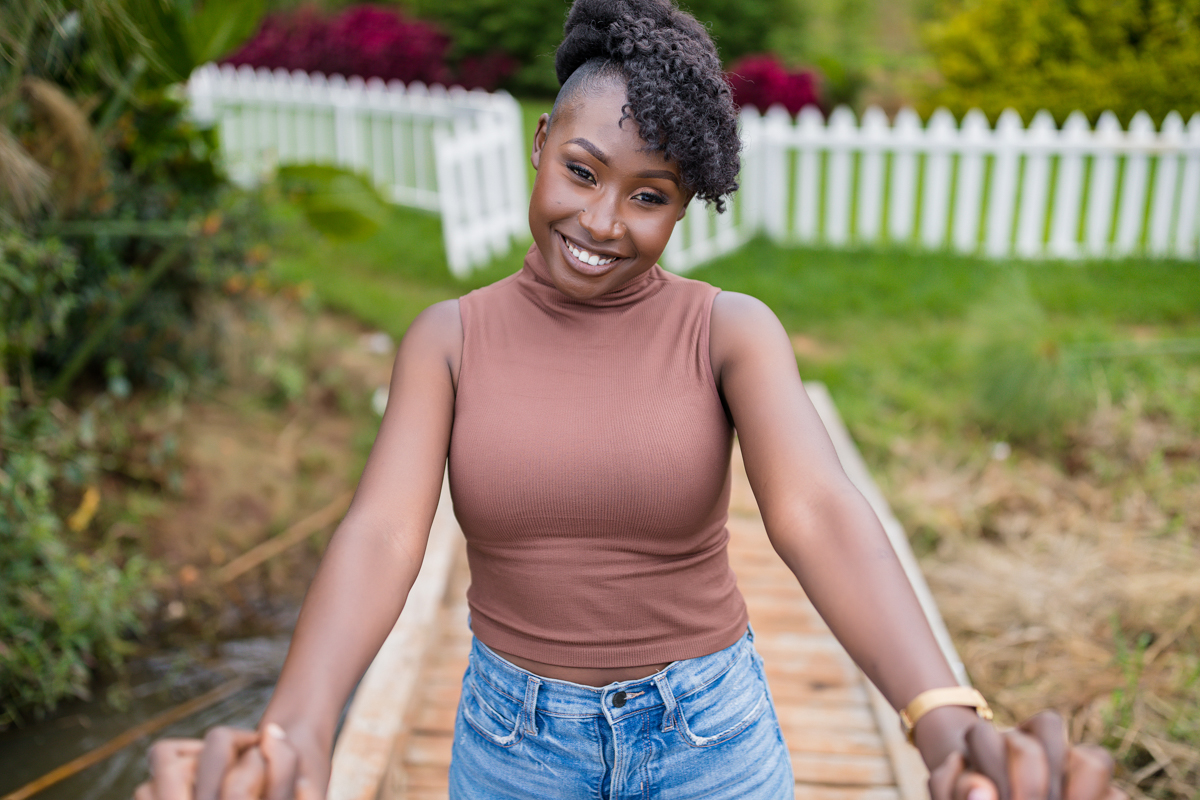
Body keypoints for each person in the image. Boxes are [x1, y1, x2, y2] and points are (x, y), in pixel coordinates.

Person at [136, 1, 1128, 798]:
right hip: (511, 741)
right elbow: (384, 533)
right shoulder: (449, 338)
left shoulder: (729, 331)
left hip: (708, 732)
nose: (603, 222)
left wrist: (942, 712)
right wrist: (300, 729)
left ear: (683, 204)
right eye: (582, 172)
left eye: (650, 195)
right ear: (540, 146)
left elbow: (818, 510)